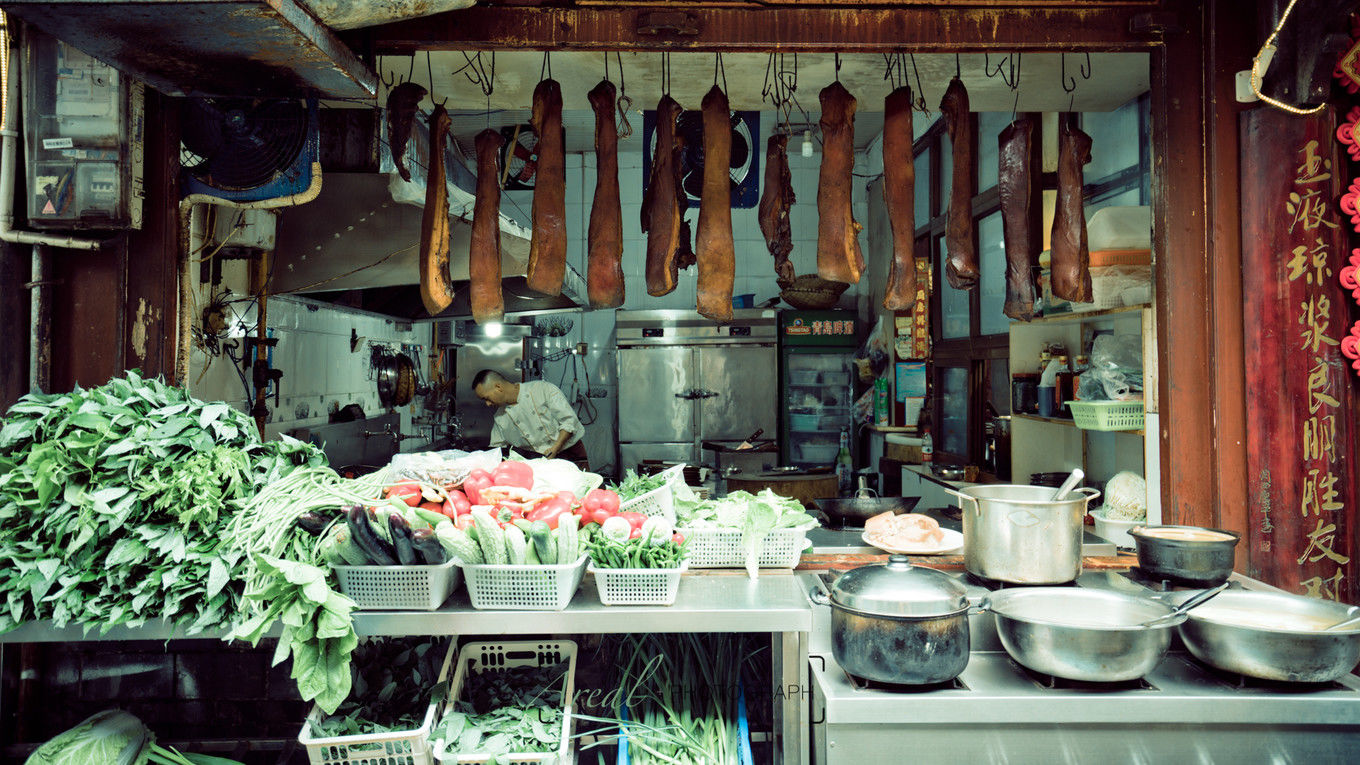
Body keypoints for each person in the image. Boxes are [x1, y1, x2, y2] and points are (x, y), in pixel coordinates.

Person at [471, 369, 589, 469]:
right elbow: (496, 450)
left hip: (570, 454)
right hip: (539, 463)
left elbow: (569, 421)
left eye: (486, 398)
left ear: (498, 387)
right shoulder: (500, 418)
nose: (487, 404)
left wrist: (556, 447)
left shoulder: (542, 389)